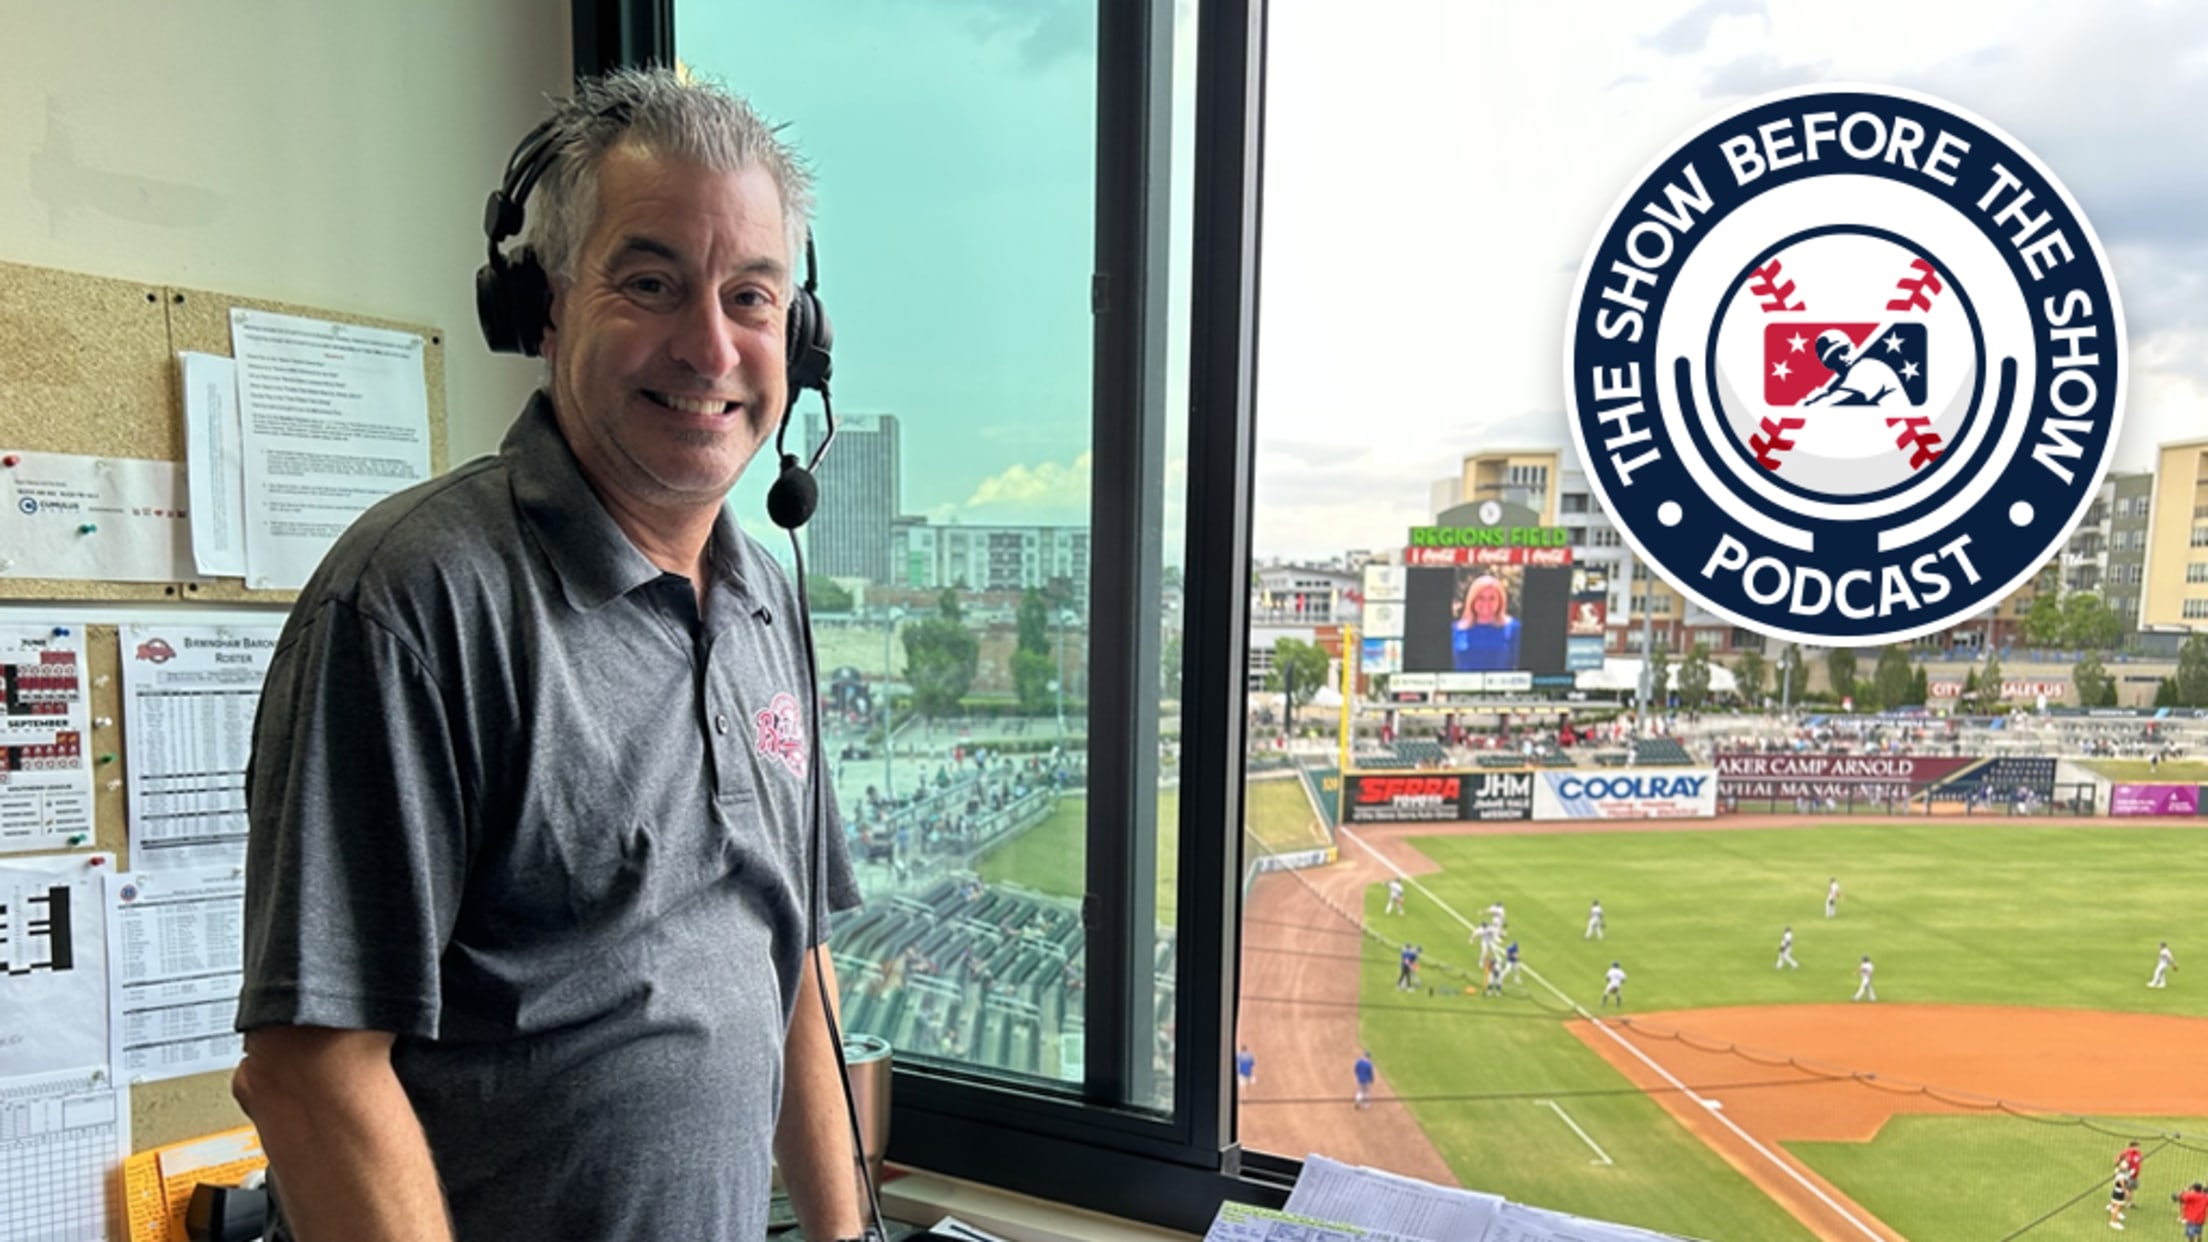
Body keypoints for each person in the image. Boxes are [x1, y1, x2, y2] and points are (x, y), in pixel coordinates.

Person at [230, 69, 865, 1242]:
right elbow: (310, 1069)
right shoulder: (414, 602)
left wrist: (846, 1233)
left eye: (751, 296)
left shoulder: (770, 606)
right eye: (651, 283)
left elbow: (797, 965)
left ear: (801, 336)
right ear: (544, 307)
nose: (710, 346)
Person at [1452, 574, 1521, 672]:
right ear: (1472, 600)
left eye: (1492, 598)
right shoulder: (1455, 630)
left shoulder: (1514, 629)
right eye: (1480, 598)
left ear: (1500, 601)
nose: (1486, 603)